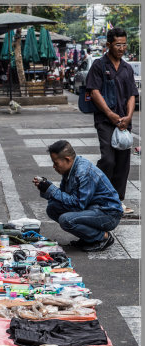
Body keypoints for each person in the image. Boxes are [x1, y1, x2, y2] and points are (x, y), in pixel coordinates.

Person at [33, 140, 123, 252]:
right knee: (52, 208)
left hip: (109, 214)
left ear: (67, 159)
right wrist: (45, 188)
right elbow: (64, 197)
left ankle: (103, 238)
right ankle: (89, 237)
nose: (54, 167)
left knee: (66, 220)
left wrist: (51, 189)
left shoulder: (83, 172)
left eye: (56, 163)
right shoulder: (69, 170)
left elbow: (77, 205)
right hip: (92, 208)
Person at [86, 27, 138, 214]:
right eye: (118, 44)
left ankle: (116, 201)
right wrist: (109, 114)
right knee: (108, 159)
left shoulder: (127, 68)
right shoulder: (99, 66)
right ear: (108, 45)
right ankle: (98, 194)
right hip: (105, 121)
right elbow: (94, 91)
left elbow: (133, 94)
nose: (122, 48)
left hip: (124, 122)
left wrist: (129, 116)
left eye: (124, 44)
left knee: (123, 162)